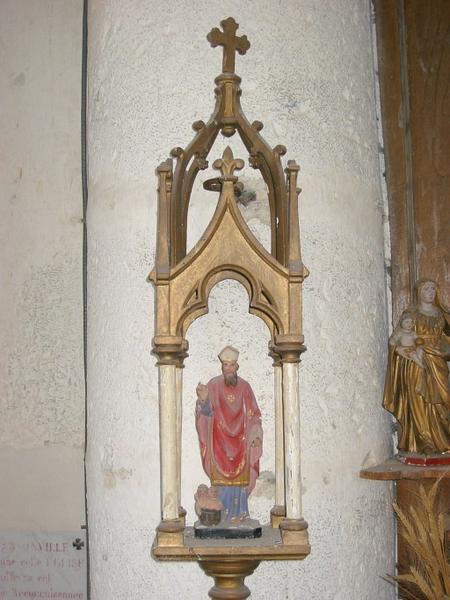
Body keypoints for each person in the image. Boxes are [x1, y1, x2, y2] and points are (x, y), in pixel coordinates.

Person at [383, 279, 450, 455]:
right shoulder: (411, 313)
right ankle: (424, 441)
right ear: (419, 292)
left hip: (438, 360)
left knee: (442, 399)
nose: (431, 292)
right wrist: (398, 349)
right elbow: (397, 337)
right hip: (415, 360)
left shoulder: (442, 314)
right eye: (426, 289)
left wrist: (444, 349)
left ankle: (443, 439)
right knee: (418, 398)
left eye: (433, 289)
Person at [195, 346, 262, 521]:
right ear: (222, 366)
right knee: (221, 483)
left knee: (240, 483)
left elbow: (254, 414)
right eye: (226, 365)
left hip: (241, 443)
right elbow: (205, 413)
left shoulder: (245, 387)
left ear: (237, 366)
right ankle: (221, 517)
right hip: (219, 443)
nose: (229, 368)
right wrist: (204, 400)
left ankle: (239, 515)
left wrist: (255, 435)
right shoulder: (213, 385)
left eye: (232, 365)